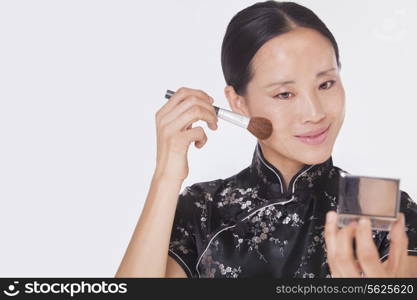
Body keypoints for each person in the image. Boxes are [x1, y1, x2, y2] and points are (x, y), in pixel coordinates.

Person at [115, 0, 417, 278]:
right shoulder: (202, 209)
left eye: (326, 84)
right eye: (284, 94)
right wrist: (166, 175)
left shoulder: (377, 205)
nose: (314, 113)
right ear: (238, 102)